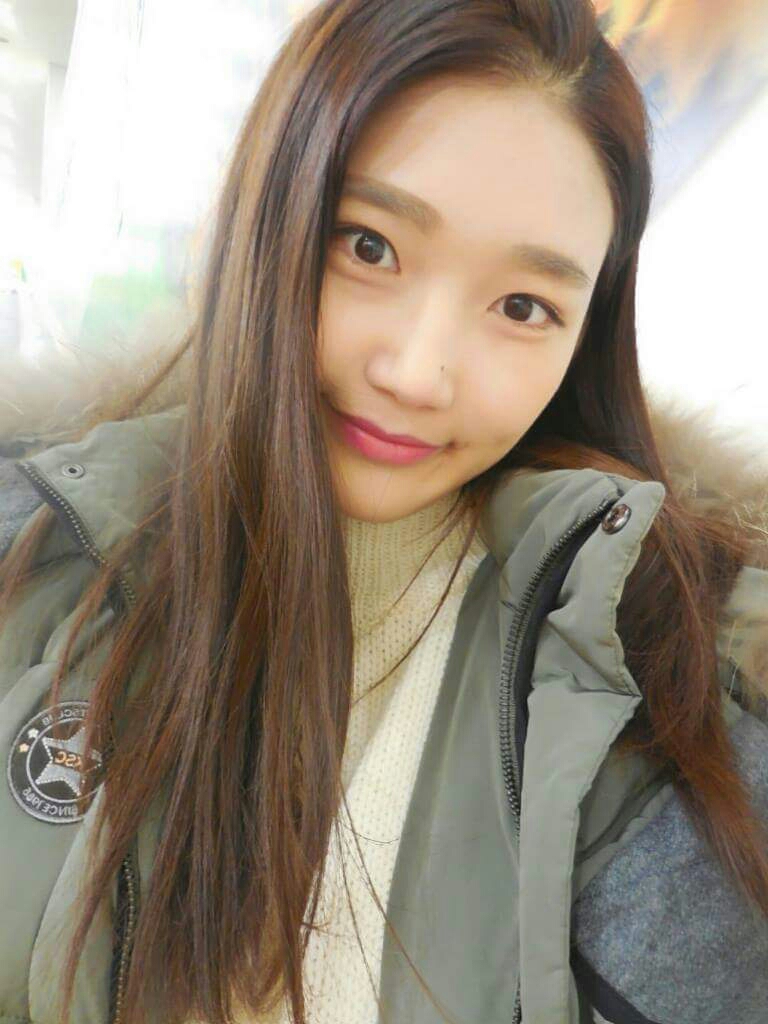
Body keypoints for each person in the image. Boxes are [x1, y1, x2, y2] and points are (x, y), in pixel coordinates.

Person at [1, 1, 767, 1023]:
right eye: (369, 246)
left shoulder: (682, 682)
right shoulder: (33, 558)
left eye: (523, 307)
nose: (417, 372)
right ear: (266, 212)